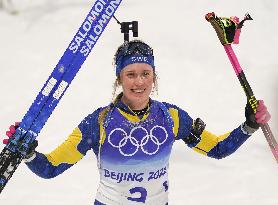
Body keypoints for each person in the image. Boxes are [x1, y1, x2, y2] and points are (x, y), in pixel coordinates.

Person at [3, 39, 271, 205]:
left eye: (145, 73)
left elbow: (218, 149)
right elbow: (50, 168)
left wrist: (247, 126)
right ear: (119, 79)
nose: (139, 82)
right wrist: (28, 154)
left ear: (154, 76)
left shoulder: (172, 117)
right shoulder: (98, 122)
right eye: (130, 74)